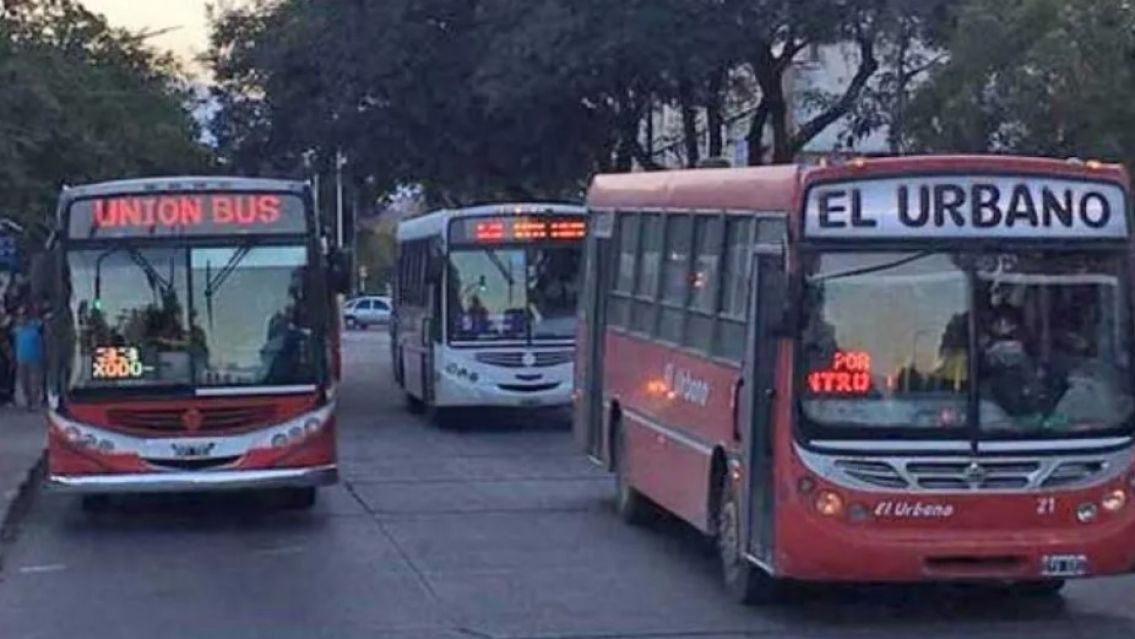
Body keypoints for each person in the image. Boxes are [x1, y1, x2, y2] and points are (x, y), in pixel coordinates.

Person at [11, 305, 43, 410]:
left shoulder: (35, 326)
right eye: (20, 316)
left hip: (34, 358)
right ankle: (29, 400)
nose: (22, 318)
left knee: (34, 382)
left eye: (24, 315)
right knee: (24, 382)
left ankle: (34, 402)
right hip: (21, 359)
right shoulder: (17, 329)